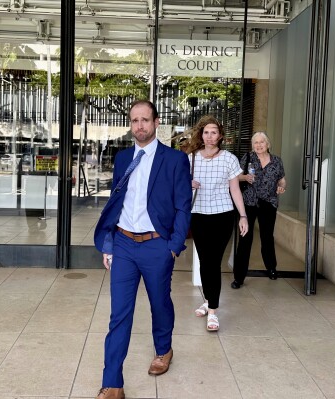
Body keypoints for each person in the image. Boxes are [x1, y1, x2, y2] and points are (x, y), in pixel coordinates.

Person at [93, 100, 191, 399]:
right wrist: (109, 242)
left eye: (145, 120)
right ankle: (113, 384)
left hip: (156, 245)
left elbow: (183, 207)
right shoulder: (123, 158)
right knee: (119, 314)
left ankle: (163, 350)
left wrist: (173, 247)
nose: (139, 126)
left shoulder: (174, 159)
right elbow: (116, 202)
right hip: (123, 243)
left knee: (159, 303)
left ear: (156, 122)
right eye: (134, 120)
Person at [183, 115, 248, 332]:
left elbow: (235, 189)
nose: (210, 136)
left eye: (214, 132)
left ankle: (212, 311)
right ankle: (209, 299)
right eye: (206, 132)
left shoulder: (229, 158)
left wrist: (243, 216)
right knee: (204, 261)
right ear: (201, 134)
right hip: (199, 215)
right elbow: (177, 183)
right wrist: (187, 182)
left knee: (214, 262)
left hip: (222, 215)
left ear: (220, 135)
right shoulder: (191, 157)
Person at [231, 131, 286, 288]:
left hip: (269, 203)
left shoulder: (276, 161)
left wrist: (282, 187)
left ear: (267, 144)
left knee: (267, 237)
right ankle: (239, 277)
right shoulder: (247, 158)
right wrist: (245, 177)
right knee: (245, 239)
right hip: (249, 203)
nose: (259, 145)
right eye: (256, 142)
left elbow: (282, 179)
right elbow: (236, 176)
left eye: (262, 142)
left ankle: (271, 268)